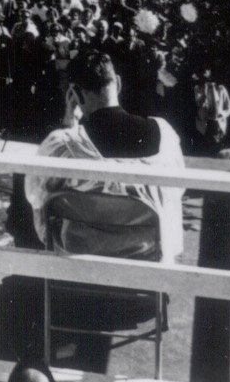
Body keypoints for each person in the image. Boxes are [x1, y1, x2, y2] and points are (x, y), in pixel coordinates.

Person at [12, 49, 185, 262]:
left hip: (80, 263)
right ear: (118, 84)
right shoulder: (163, 134)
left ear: (75, 93)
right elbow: (176, 190)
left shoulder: (62, 145)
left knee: (24, 186)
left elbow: (37, 197)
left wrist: (69, 121)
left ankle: (27, 279)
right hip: (144, 264)